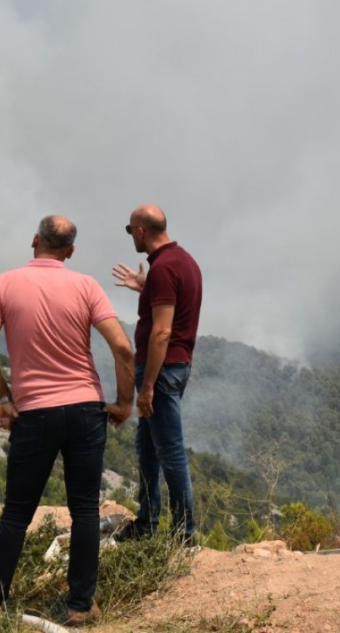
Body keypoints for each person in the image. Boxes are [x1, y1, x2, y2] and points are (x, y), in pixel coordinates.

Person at [0, 215, 135, 625]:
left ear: (35, 240)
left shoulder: (5, 283)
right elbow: (123, 348)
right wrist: (124, 402)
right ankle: (80, 606)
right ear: (70, 251)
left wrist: (4, 399)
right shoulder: (87, 286)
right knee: (85, 511)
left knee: (16, 513)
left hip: (34, 413)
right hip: (85, 411)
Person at [111, 204, 202, 543]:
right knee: (149, 447)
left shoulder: (164, 268)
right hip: (176, 367)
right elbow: (172, 303)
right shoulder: (183, 261)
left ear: (141, 231)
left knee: (170, 452)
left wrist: (147, 386)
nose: (131, 236)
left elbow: (162, 333)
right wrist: (146, 287)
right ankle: (147, 523)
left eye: (130, 230)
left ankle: (184, 535)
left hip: (161, 372)